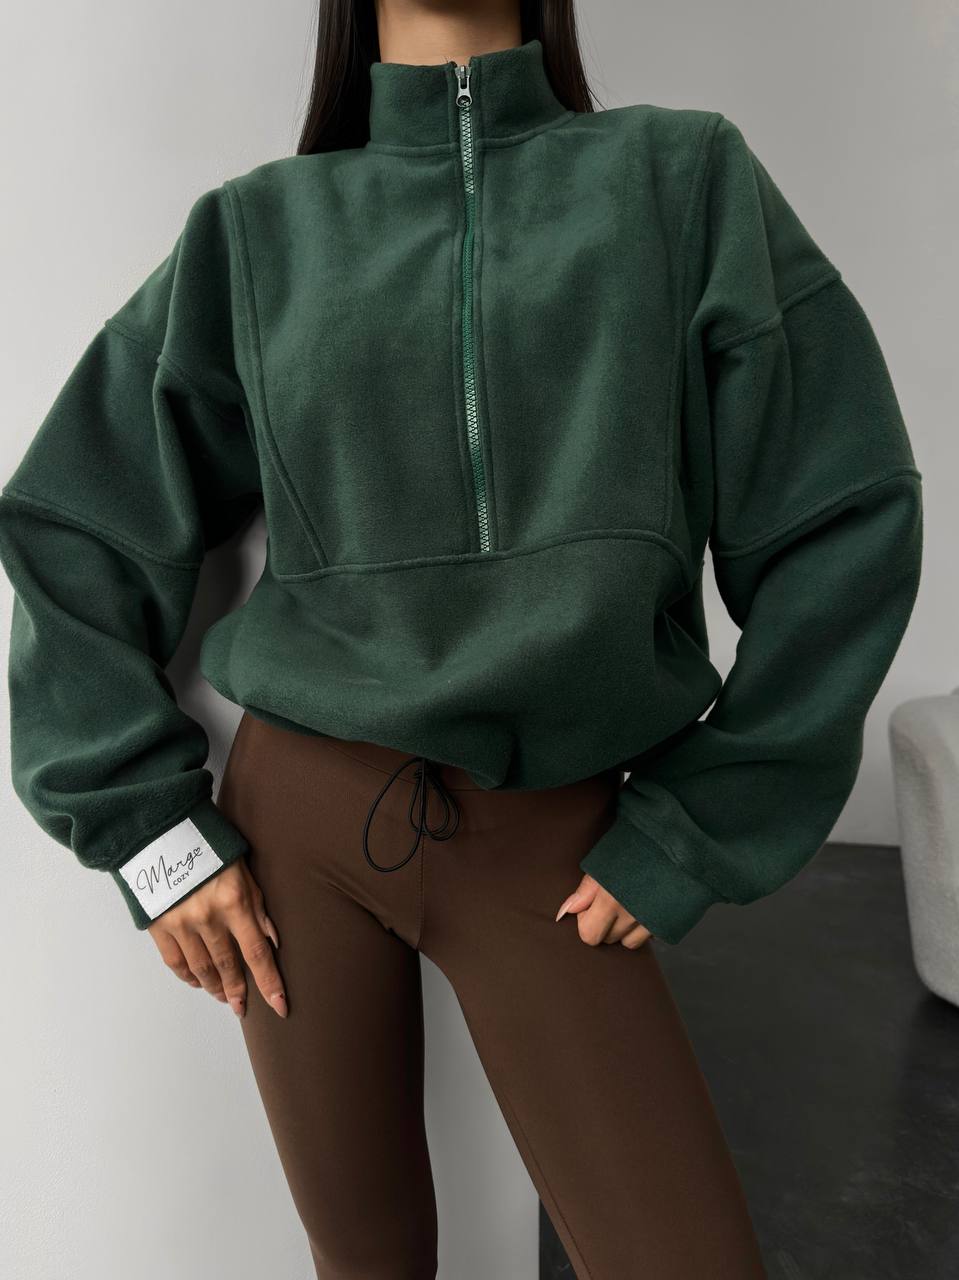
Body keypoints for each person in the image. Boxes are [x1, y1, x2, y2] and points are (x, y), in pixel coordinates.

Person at [0, 1, 923, 1276]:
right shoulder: (256, 229)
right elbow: (73, 526)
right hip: (293, 830)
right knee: (365, 1260)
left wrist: (706, 818)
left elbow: (844, 520)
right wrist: (148, 838)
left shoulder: (682, 179)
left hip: (552, 840)